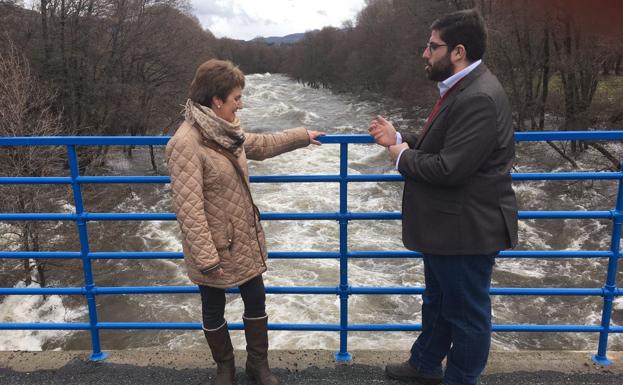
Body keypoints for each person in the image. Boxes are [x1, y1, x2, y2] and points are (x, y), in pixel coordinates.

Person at [368, 9, 518, 385]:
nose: (424, 53)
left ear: (458, 52)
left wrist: (401, 156)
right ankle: (425, 364)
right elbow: (445, 146)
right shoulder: (465, 88)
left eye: (432, 46)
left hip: (466, 229)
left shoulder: (479, 97)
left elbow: (450, 168)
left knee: (467, 314)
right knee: (438, 302)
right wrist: (401, 138)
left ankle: (462, 379)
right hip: (451, 226)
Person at [166, 59, 324, 385]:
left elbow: (261, 145)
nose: (241, 103)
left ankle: (257, 366)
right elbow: (188, 209)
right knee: (213, 307)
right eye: (237, 98)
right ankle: (225, 368)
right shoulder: (186, 143)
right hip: (212, 245)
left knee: (256, 299)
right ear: (216, 101)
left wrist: (301, 136)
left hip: (244, 236)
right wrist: (208, 260)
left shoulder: (227, 130)